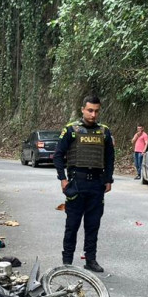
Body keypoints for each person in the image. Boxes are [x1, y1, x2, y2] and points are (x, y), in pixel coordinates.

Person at [54, 95, 115, 273]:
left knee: (93, 224)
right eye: (90, 110)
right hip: (76, 182)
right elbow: (58, 155)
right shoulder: (71, 130)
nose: (93, 114)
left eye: (96, 111)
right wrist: (62, 179)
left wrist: (109, 179)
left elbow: (110, 157)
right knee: (72, 224)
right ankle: (67, 261)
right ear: (83, 109)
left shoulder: (104, 131)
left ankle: (91, 259)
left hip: (97, 183)